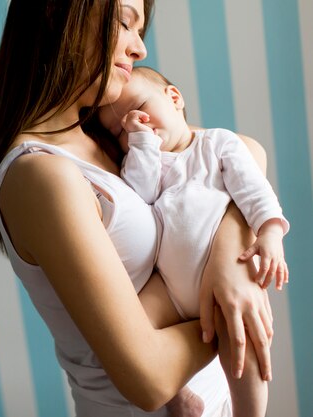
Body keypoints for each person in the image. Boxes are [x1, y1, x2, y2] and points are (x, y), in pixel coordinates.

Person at [0, 0, 274, 415]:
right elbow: (149, 377)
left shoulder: (104, 132)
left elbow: (239, 149)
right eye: (124, 22)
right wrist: (226, 315)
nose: (140, 49)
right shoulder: (42, 176)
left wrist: (227, 266)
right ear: (55, 12)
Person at [98, 66, 290, 417]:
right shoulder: (144, 168)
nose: (133, 124)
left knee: (241, 337)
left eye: (139, 108)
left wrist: (271, 232)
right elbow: (140, 192)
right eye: (119, 130)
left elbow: (253, 190)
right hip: (171, 289)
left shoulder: (217, 143)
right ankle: (179, 397)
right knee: (131, 331)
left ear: (173, 98)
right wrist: (141, 142)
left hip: (222, 279)